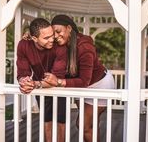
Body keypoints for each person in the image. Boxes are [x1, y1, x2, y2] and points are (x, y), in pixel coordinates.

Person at [43, 14, 115, 142]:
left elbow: (84, 81)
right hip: (80, 86)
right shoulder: (61, 44)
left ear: (69, 28)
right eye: (53, 33)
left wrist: (58, 82)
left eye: (58, 31)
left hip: (99, 84)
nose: (56, 36)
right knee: (90, 125)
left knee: (84, 125)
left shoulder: (85, 47)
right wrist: (30, 41)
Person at [16, 17, 67, 142]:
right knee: (46, 118)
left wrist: (35, 84)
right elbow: (23, 71)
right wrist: (25, 81)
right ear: (34, 38)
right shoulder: (24, 44)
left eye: (52, 35)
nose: (52, 39)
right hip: (39, 86)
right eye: (46, 38)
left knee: (61, 119)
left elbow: (58, 77)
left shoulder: (59, 45)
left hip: (60, 85)